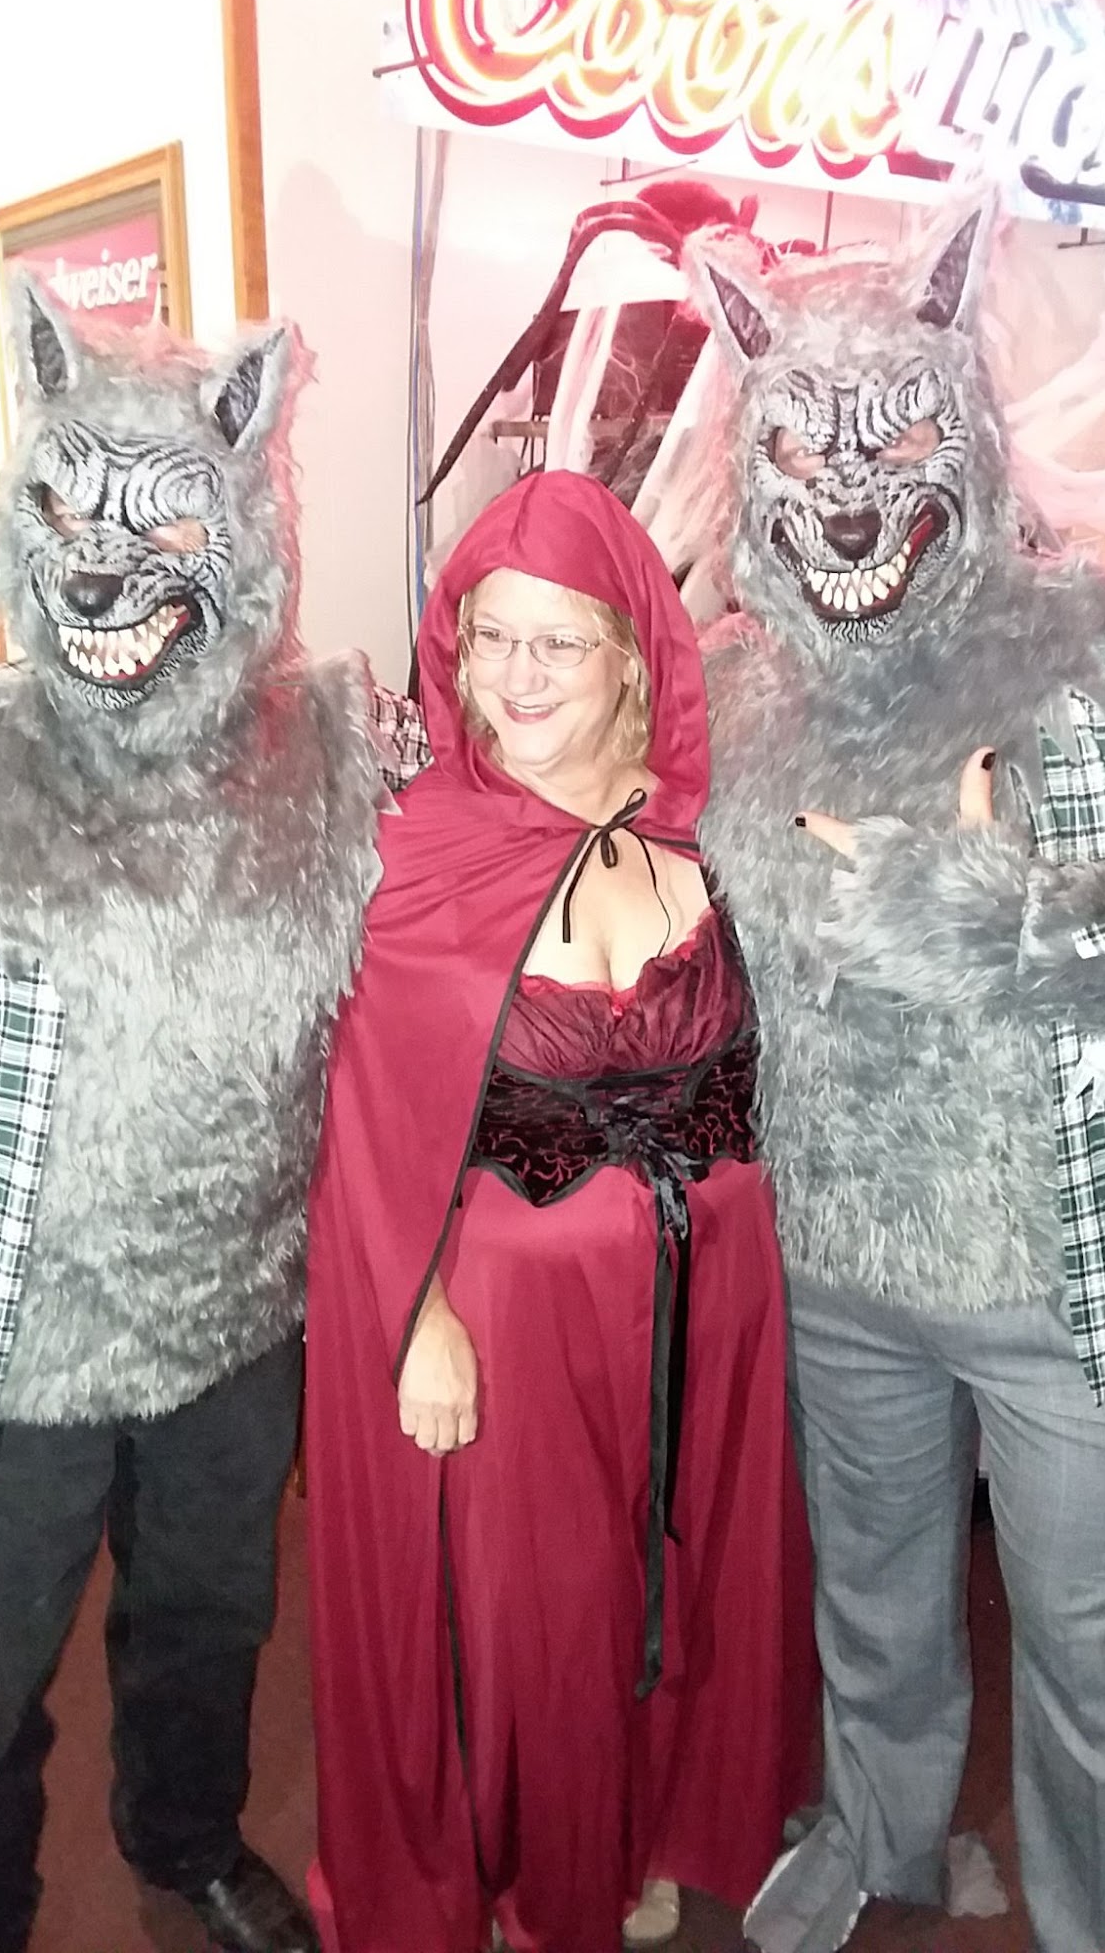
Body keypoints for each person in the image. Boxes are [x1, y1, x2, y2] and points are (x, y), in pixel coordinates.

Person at [674, 215, 1105, 1953]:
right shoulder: (730, 683)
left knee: (1096, 1663)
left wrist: (1008, 911)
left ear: (961, 425)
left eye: (894, 437)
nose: (848, 496)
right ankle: (882, 1843)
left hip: (1072, 1278)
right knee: (875, 1613)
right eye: (803, 449)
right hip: (840, 1269)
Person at [0, 282, 424, 1953]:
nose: (101, 568)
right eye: (65, 514)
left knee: (206, 1624)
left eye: (166, 520)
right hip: (13, 1336)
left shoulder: (330, 749)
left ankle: (183, 1843)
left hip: (233, 1313)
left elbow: (476, 873)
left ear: (241, 526)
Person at [303, 468, 814, 1953]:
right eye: (489, 638)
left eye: (558, 642)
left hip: (714, 1304)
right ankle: (537, 1879)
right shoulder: (414, 851)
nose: (514, 677)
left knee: (680, 1577)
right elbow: (363, 1128)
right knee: (540, 1615)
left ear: (632, 656)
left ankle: (643, 1826)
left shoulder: (711, 831)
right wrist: (418, 1320)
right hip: (516, 1323)